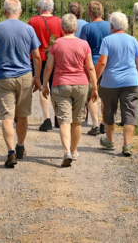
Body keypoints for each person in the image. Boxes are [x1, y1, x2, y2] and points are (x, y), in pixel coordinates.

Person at [0, 0, 42, 168]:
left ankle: (11, 152)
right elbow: (37, 56)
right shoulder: (29, 29)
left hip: (4, 76)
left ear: (4, 11)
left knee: (7, 116)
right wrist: (37, 78)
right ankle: (20, 146)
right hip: (24, 76)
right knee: (22, 115)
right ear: (20, 12)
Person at [41, 14, 98, 167]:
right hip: (81, 85)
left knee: (64, 120)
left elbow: (49, 67)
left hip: (61, 84)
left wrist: (44, 85)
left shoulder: (55, 44)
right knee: (77, 121)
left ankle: (66, 151)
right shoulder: (84, 44)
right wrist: (95, 87)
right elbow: (90, 67)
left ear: (62, 27)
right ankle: (74, 150)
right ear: (76, 27)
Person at [96, 11, 138, 157]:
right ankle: (127, 145)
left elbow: (102, 62)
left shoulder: (107, 40)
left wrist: (95, 79)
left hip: (110, 81)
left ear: (111, 26)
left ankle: (109, 140)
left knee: (109, 110)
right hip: (131, 81)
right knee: (130, 112)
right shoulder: (133, 40)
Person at [28, 0, 62, 132]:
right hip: (55, 58)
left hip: (38, 58)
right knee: (55, 87)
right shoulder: (59, 21)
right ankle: (58, 117)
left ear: (39, 8)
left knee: (43, 86)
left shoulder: (33, 21)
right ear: (52, 9)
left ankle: (47, 118)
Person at [79, 1, 111, 136]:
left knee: (92, 93)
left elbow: (82, 48)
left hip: (91, 64)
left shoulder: (87, 28)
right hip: (107, 63)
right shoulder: (109, 26)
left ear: (90, 13)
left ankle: (95, 124)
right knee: (105, 94)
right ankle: (104, 122)